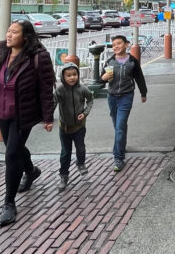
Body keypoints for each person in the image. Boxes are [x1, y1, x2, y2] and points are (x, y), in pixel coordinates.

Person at [0, 19, 55, 226]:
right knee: (14, 148)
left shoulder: (38, 57)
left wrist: (48, 117)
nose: (9, 34)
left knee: (11, 154)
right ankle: (32, 171)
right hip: (2, 112)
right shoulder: (0, 52)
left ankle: (9, 203)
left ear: (26, 36)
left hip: (23, 114)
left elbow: (45, 88)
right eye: (8, 31)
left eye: (14, 32)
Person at [100, 35, 147, 172]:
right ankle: (121, 145)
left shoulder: (133, 61)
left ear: (126, 44)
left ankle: (118, 158)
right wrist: (103, 78)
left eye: (119, 43)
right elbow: (100, 79)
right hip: (112, 97)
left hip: (126, 96)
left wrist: (143, 93)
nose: (116, 46)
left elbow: (139, 77)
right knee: (118, 125)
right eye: (114, 45)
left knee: (120, 125)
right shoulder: (110, 62)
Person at [54, 62, 94, 189]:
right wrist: (47, 118)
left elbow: (90, 99)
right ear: (63, 77)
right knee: (65, 153)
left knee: (80, 148)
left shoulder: (82, 88)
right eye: (68, 75)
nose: (72, 78)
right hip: (64, 128)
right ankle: (64, 175)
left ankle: (81, 163)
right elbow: (53, 103)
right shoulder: (60, 90)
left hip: (79, 127)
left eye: (74, 74)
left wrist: (85, 113)